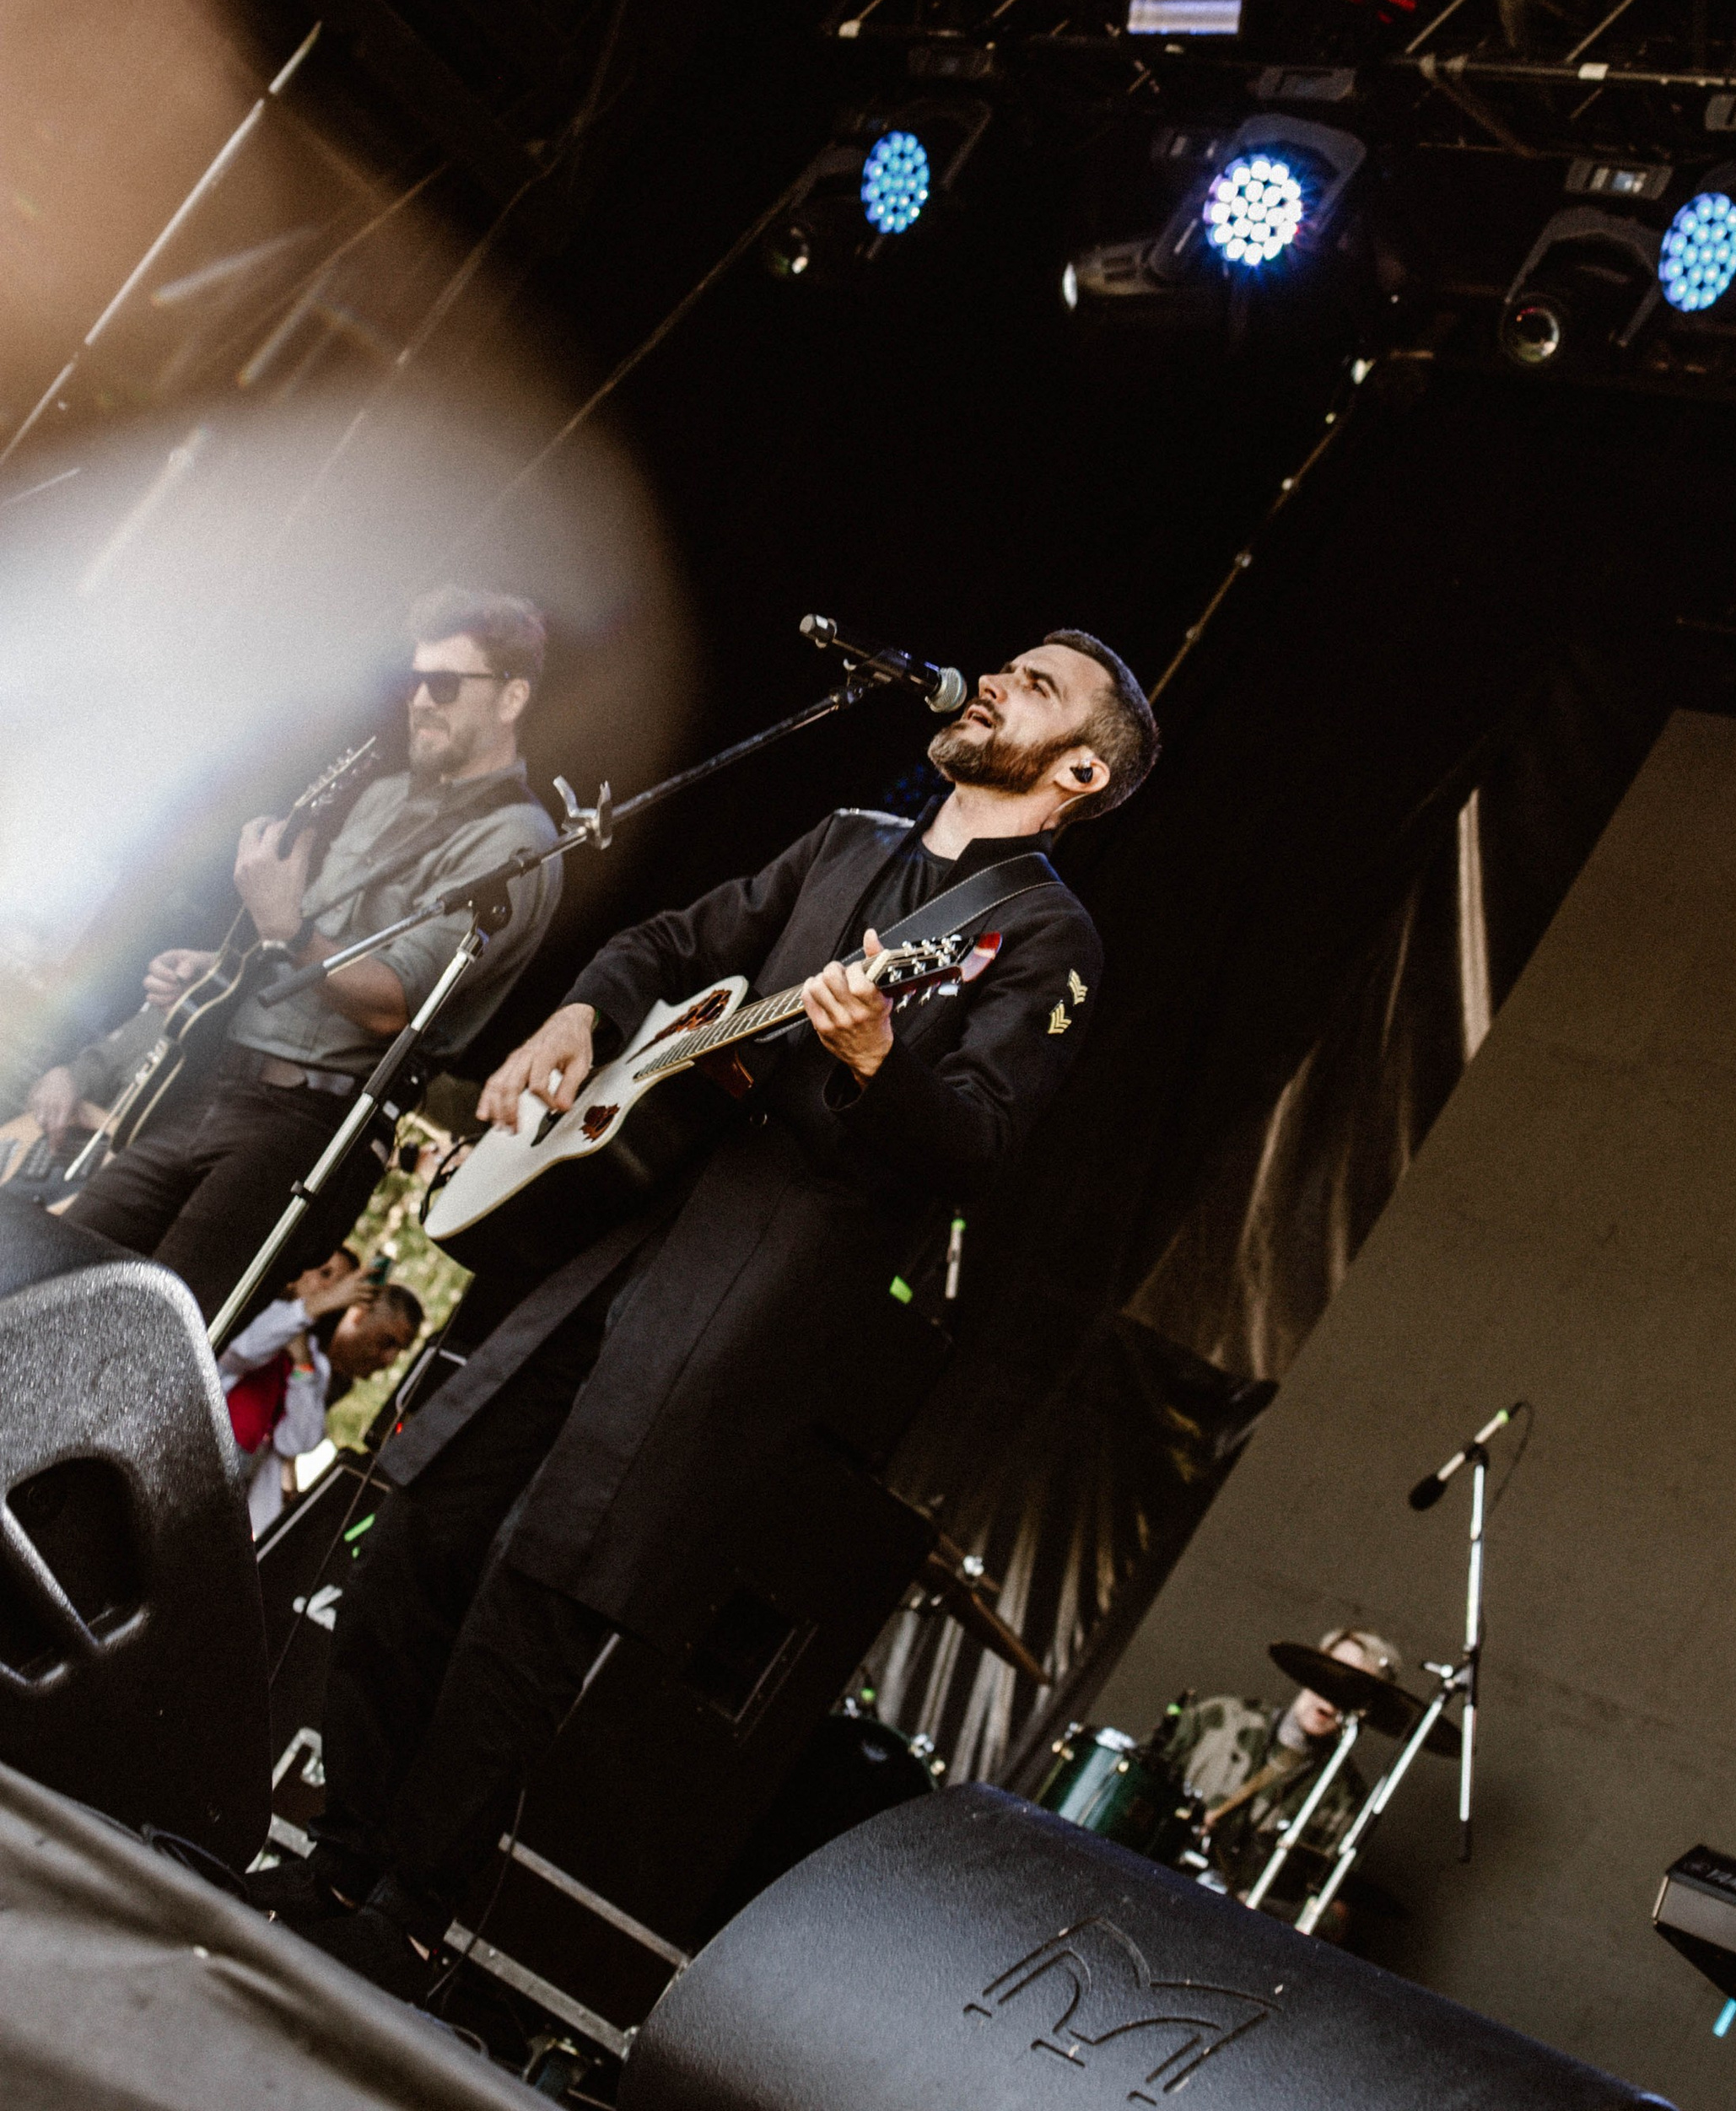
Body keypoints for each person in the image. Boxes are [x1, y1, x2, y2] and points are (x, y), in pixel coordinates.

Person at [266, 631, 1159, 2002]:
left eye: (1038, 689)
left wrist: (874, 1064)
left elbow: (976, 1143)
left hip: (753, 1280)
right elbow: (673, 944)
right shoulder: (849, 841)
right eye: (1008, 666)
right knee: (422, 1523)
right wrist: (576, 1019)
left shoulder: (1040, 938)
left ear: (1084, 769)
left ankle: (409, 1913)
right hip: (617, 1228)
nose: (994, 683)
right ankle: (337, 1855)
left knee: (537, 1593)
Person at [35, 589, 561, 1323]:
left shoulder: (516, 842)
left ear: (510, 699)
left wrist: (283, 925)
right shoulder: (379, 796)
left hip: (303, 1129)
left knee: (143, 1341)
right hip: (212, 1088)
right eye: (413, 680)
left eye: (445, 684)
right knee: (40, 1282)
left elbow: (392, 1004)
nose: (420, 701)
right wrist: (220, 970)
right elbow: (300, 946)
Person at [1179, 1627, 1404, 1900]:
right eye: (1331, 1675)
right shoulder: (1218, 1718)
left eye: (1353, 1690)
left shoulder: (1346, 1798)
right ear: (1310, 1669)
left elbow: (1332, 1912)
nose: (1334, 1695)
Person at [220, 1251, 423, 1534]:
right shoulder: (262, 1315)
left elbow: (297, 1440)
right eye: (325, 1275)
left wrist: (303, 1364)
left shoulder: (316, 1362)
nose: (389, 1360)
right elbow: (240, 1351)